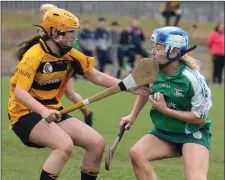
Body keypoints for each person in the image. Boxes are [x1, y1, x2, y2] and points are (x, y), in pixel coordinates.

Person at [8, 8, 149, 180]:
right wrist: (43, 111)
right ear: (54, 32)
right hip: (25, 113)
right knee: (64, 146)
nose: (73, 37)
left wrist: (128, 86)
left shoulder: (70, 54)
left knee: (96, 143)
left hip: (55, 110)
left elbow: (96, 76)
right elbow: (20, 92)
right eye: (70, 32)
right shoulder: (34, 56)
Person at [120, 26, 212, 180]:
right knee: (137, 154)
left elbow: (200, 117)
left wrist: (165, 110)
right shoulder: (152, 70)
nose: (154, 51)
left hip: (192, 134)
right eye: (154, 46)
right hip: (165, 132)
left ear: (175, 52)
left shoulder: (194, 80)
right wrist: (133, 115)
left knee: (195, 177)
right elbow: (145, 90)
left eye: (160, 47)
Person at [40, 4, 94, 126]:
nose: (43, 14)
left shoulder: (65, 27)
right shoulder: (45, 29)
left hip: (65, 63)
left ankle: (86, 113)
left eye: (46, 11)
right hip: (52, 64)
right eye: (42, 11)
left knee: (69, 93)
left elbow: (69, 46)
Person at [207, 22, 224, 87]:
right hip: (216, 54)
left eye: (223, 27)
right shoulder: (214, 34)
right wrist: (213, 50)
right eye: (220, 27)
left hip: (223, 54)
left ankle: (220, 82)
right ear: (218, 27)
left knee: (221, 68)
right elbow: (209, 43)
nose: (222, 28)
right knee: (215, 68)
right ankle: (214, 82)